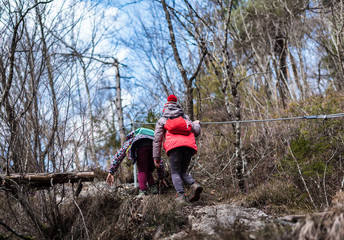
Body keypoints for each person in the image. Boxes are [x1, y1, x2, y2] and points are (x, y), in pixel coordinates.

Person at [153, 94, 203, 203]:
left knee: (175, 172)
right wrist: (197, 124)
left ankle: (180, 196)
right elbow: (197, 131)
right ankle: (194, 185)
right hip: (189, 147)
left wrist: (156, 157)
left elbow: (157, 139)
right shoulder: (185, 118)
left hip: (174, 148)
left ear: (165, 106)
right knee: (183, 172)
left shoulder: (163, 119)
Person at [106, 127, 164, 196]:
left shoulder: (134, 138)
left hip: (141, 148)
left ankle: (142, 191)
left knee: (142, 170)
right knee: (148, 170)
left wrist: (111, 171)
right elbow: (159, 161)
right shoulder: (153, 137)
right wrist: (161, 177)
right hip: (154, 146)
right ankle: (153, 188)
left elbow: (120, 154)